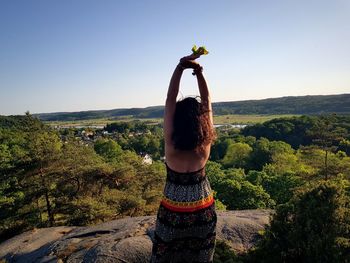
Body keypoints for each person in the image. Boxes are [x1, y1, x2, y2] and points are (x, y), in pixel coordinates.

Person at [150, 53, 217, 262]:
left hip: (172, 212)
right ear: (201, 121)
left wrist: (181, 67)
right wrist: (199, 73)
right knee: (202, 257)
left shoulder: (171, 143)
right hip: (203, 209)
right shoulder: (204, 144)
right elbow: (207, 101)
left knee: (164, 257)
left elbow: (170, 99)